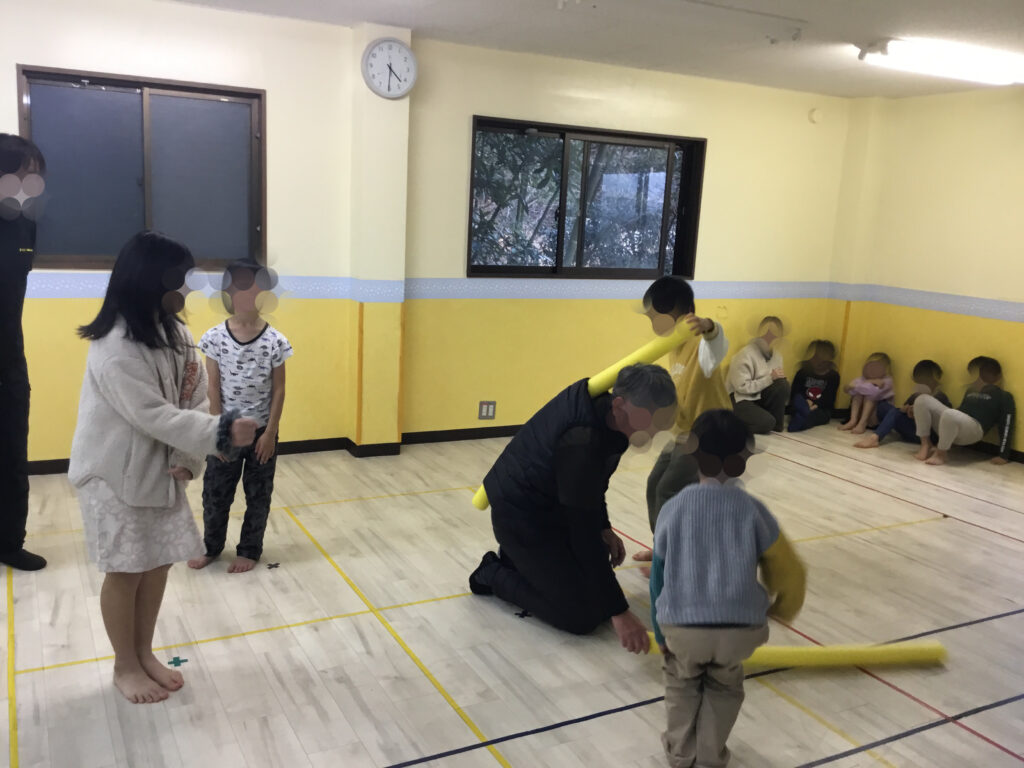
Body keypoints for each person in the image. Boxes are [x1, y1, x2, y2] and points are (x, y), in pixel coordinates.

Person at [68, 232, 258, 704]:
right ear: (152, 279)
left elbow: (192, 397)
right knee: (126, 570)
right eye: (182, 277)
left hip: (159, 470)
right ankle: (125, 665)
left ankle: (143, 652)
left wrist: (188, 458)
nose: (189, 286)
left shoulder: (176, 334)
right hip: (112, 476)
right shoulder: (114, 345)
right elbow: (151, 414)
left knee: (155, 565)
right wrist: (220, 433)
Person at [469, 364, 677, 652]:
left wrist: (603, 526)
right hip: (520, 518)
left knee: (596, 588)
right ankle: (493, 572)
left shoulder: (613, 420)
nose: (652, 433)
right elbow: (582, 531)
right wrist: (619, 612)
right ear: (619, 405)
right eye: (649, 422)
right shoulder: (581, 440)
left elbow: (593, 484)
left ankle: (519, 561)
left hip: (553, 508)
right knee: (582, 616)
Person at [650, 409, 806, 768]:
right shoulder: (754, 511)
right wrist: (782, 609)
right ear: (743, 459)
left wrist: (660, 632)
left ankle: (681, 755)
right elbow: (791, 570)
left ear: (692, 454)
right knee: (724, 688)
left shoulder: (673, 509)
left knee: (681, 686)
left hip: (683, 629)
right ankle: (710, 757)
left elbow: (659, 575)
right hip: (739, 629)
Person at [188, 261, 292, 574]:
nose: (247, 294)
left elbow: (279, 389)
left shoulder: (275, 341)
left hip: (261, 433)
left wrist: (270, 433)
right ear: (228, 293)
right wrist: (220, 433)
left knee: (258, 495)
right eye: (240, 287)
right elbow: (212, 388)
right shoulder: (215, 338)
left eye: (254, 286)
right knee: (215, 495)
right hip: (226, 432)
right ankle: (211, 546)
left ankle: (249, 550)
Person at [635, 277, 731, 575]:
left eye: (660, 318)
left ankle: (671, 560)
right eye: (652, 318)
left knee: (669, 489)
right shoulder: (672, 346)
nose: (656, 325)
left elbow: (718, 343)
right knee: (655, 484)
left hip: (711, 435)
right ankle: (663, 547)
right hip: (684, 434)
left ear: (687, 313)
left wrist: (708, 325)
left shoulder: (702, 345)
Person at [0, 134, 48, 571]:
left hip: (9, 358)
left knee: (13, 452)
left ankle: (9, 542)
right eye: (25, 173)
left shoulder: (25, 224)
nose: (34, 182)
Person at [914, 356, 1015, 466]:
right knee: (922, 399)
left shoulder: (1004, 396)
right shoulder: (970, 390)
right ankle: (926, 444)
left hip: (975, 429)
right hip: (960, 423)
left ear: (997, 377)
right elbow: (961, 411)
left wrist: (1003, 455)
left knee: (950, 413)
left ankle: (941, 454)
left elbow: (1007, 425)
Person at [855, 359, 950, 449]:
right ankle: (881, 428)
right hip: (912, 428)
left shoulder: (940, 397)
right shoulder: (915, 395)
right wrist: (906, 409)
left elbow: (940, 421)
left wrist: (917, 412)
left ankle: (875, 438)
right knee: (884, 407)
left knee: (895, 412)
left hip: (928, 435)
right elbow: (902, 410)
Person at [727, 316, 789, 434]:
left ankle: (776, 424)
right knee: (766, 423)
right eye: (767, 334)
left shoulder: (777, 356)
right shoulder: (745, 354)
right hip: (739, 398)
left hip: (757, 396)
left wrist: (776, 379)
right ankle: (730, 423)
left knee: (783, 384)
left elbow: (777, 386)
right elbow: (741, 387)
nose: (770, 338)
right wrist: (770, 378)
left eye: (774, 335)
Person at [787, 340, 840, 433]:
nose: (818, 362)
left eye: (822, 360)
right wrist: (805, 402)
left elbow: (829, 398)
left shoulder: (833, 376)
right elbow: (795, 392)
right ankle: (801, 414)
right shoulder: (803, 372)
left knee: (813, 416)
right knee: (797, 402)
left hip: (820, 408)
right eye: (815, 358)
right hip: (802, 404)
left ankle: (799, 421)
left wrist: (814, 405)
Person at [839, 352, 894, 434]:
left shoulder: (887, 380)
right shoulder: (863, 379)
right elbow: (849, 390)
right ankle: (853, 420)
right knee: (857, 394)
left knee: (870, 396)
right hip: (862, 414)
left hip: (876, 417)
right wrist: (850, 386)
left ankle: (862, 424)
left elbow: (874, 393)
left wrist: (862, 384)